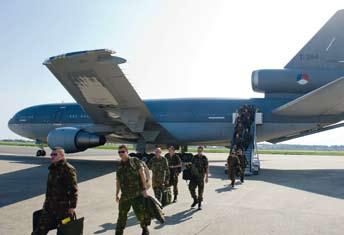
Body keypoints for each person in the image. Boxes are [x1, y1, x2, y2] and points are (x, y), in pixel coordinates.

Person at [32, 147, 78, 235]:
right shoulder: (53, 168)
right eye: (51, 154)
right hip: (49, 207)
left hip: (63, 209)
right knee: (39, 231)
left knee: (64, 231)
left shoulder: (68, 169)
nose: (52, 156)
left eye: (54, 154)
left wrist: (72, 207)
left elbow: (73, 189)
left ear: (62, 156)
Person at [115, 145, 151, 235]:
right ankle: (119, 233)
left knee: (140, 214)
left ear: (127, 152)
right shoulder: (119, 165)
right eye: (119, 152)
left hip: (137, 194)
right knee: (121, 216)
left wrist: (144, 189)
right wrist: (117, 194)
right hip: (125, 196)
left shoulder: (134, 161)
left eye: (123, 152)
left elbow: (142, 174)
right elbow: (118, 181)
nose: (121, 154)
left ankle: (145, 229)